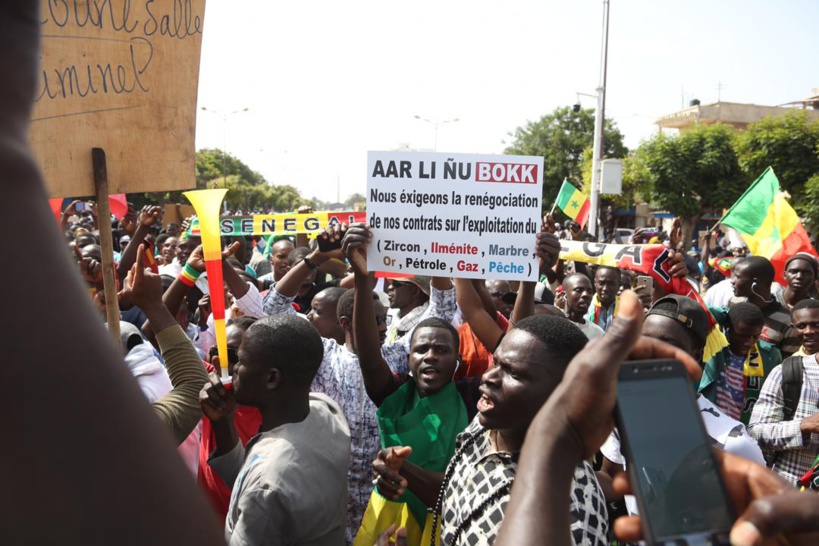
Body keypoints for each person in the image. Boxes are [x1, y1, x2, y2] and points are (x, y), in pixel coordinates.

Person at [491, 290, 819, 546]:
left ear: (694, 357)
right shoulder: (622, 419)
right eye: (642, 341)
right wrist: (559, 463)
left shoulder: (733, 442)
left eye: (664, 345)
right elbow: (612, 480)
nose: (648, 352)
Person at [263, 223, 457, 544]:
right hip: (326, 490)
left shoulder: (398, 355)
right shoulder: (320, 354)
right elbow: (272, 309)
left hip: (386, 489)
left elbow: (443, 309)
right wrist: (316, 258)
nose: (380, 326)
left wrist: (434, 250)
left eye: (383, 319)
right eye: (373, 317)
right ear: (345, 323)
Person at [371, 316, 608, 545]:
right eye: (496, 362)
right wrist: (403, 471)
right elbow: (461, 494)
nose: (488, 377)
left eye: (513, 373)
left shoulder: (567, 515)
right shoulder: (487, 424)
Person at [201, 315, 351, 545]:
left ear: (271, 378)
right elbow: (248, 478)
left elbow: (260, 485)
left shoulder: (269, 484)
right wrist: (224, 421)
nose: (234, 369)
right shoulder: (326, 411)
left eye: (240, 361)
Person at [749, 299, 819, 485]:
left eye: (816, 325)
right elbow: (756, 433)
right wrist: (804, 426)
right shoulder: (786, 372)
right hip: (791, 494)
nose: (809, 331)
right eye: (802, 326)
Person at [699, 302, 781, 425]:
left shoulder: (769, 355)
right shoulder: (715, 345)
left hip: (745, 429)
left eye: (755, 336)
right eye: (742, 336)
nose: (749, 342)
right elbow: (704, 313)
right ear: (728, 327)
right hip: (709, 424)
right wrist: (726, 314)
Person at [718, 256, 798, 356]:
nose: (732, 281)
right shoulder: (733, 303)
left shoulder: (787, 322)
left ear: (755, 283)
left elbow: (787, 364)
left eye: (738, 277)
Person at [385, 275, 433, 343]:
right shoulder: (393, 316)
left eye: (396, 284)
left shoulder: (429, 324)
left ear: (414, 291)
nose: (389, 287)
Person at [562, 273, 605, 340]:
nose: (586, 295)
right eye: (578, 290)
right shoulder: (552, 325)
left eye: (590, 291)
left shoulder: (598, 334)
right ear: (564, 295)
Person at [589, 265, 620, 331]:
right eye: (601, 283)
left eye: (611, 284)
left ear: (619, 285)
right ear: (595, 283)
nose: (605, 288)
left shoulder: (626, 309)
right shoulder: (586, 306)